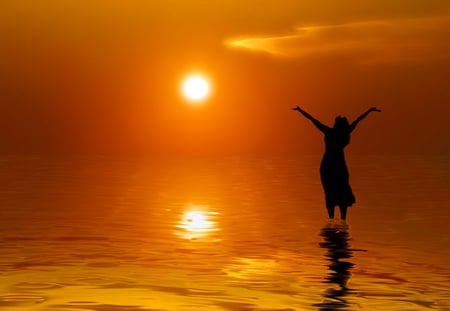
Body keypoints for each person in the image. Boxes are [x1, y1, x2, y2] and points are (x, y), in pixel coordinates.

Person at [292, 106, 381, 223]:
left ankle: (333, 220)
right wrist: (369, 111)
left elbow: (313, 120)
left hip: (331, 164)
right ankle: (340, 220)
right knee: (338, 190)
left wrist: (300, 110)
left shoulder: (330, 131)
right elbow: (358, 119)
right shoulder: (344, 131)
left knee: (333, 191)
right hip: (335, 165)